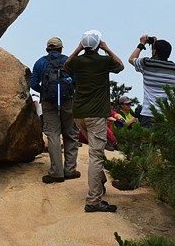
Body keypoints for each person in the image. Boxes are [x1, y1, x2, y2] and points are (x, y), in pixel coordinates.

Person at [65, 29, 124, 213]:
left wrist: (77, 48)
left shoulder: (78, 62)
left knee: (95, 151)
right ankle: (94, 200)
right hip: (96, 115)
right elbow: (120, 66)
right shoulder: (104, 61)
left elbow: (66, 65)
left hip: (79, 114)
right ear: (98, 44)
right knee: (96, 156)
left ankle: (99, 184)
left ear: (84, 45)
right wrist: (107, 49)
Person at [30, 37, 78, 184]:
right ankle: (70, 170)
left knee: (53, 135)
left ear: (47, 49)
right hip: (67, 101)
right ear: (61, 49)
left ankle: (56, 172)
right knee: (70, 134)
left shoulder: (40, 62)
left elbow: (33, 84)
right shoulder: (69, 60)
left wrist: (43, 91)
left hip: (48, 102)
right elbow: (76, 80)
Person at [128, 35, 175, 128]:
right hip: (166, 115)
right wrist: (156, 46)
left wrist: (142, 43)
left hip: (149, 114)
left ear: (155, 51)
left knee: (148, 142)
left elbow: (131, 59)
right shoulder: (173, 67)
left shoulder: (147, 63)